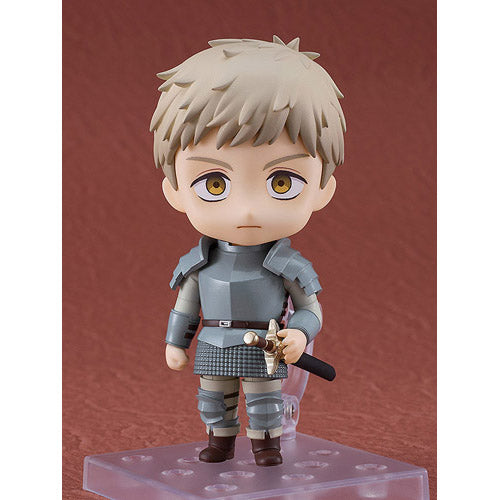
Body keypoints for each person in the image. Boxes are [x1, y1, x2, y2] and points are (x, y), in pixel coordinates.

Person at [150, 36, 346, 466]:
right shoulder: (200, 264)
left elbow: (310, 309)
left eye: (282, 182)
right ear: (175, 190)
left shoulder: (286, 266)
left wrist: (299, 334)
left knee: (264, 401)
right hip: (213, 341)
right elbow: (185, 308)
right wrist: (174, 343)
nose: (247, 209)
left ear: (322, 188)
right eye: (214, 183)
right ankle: (219, 442)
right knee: (213, 398)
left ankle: (265, 445)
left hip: (266, 346)